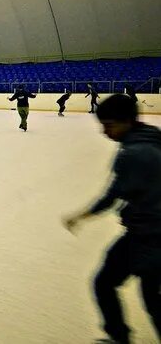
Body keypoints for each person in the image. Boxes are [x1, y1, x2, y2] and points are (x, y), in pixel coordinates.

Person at [63, 94, 161, 344]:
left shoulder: (134, 154)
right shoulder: (153, 138)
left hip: (150, 237)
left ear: (127, 121)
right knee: (140, 295)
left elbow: (113, 195)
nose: (105, 132)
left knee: (139, 296)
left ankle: (120, 338)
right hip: (145, 233)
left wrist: (82, 215)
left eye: (109, 125)